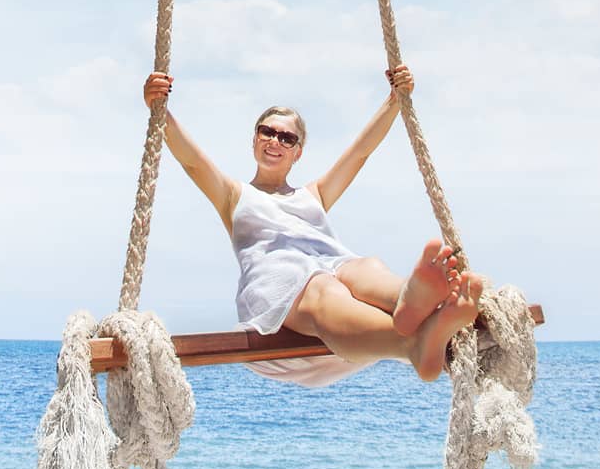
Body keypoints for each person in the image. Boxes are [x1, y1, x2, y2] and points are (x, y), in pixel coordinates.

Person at [142, 64, 484, 385]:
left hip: (332, 266)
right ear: (254, 139)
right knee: (325, 288)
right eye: (268, 132)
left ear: (297, 152)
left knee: (365, 267)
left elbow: (359, 153)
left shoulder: (313, 195)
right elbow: (192, 162)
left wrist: (395, 100)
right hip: (280, 284)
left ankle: (409, 299)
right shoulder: (235, 195)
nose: (275, 141)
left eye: (286, 138)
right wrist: (160, 107)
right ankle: (410, 344)